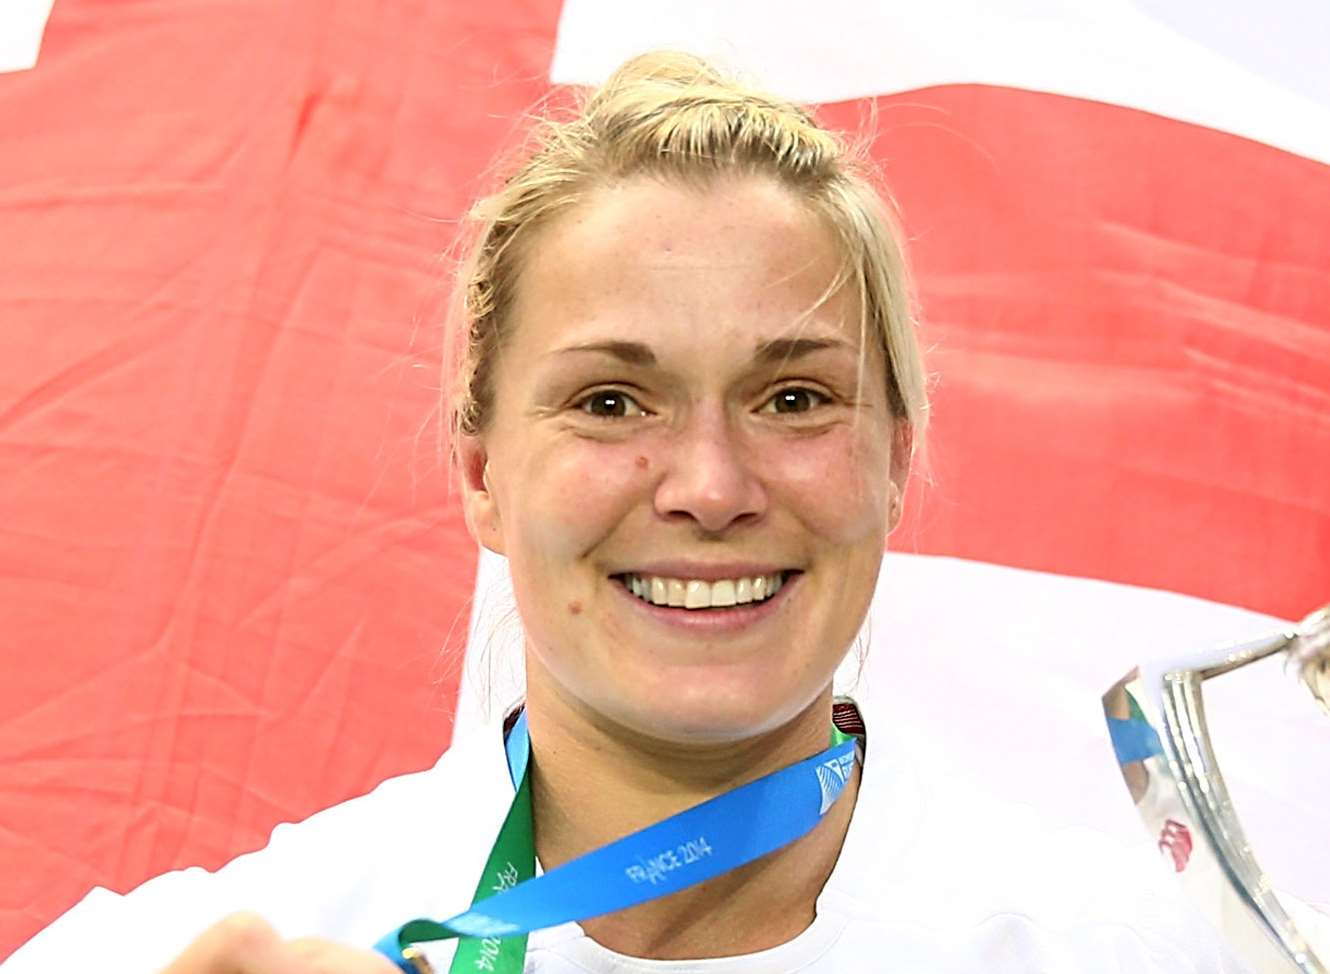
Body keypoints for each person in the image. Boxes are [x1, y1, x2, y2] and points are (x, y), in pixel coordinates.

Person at [1, 51, 1287, 974]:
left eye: (791, 396)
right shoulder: (208, 953)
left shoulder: (1135, 950)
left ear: (897, 459)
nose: (712, 486)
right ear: (479, 473)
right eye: (611, 401)